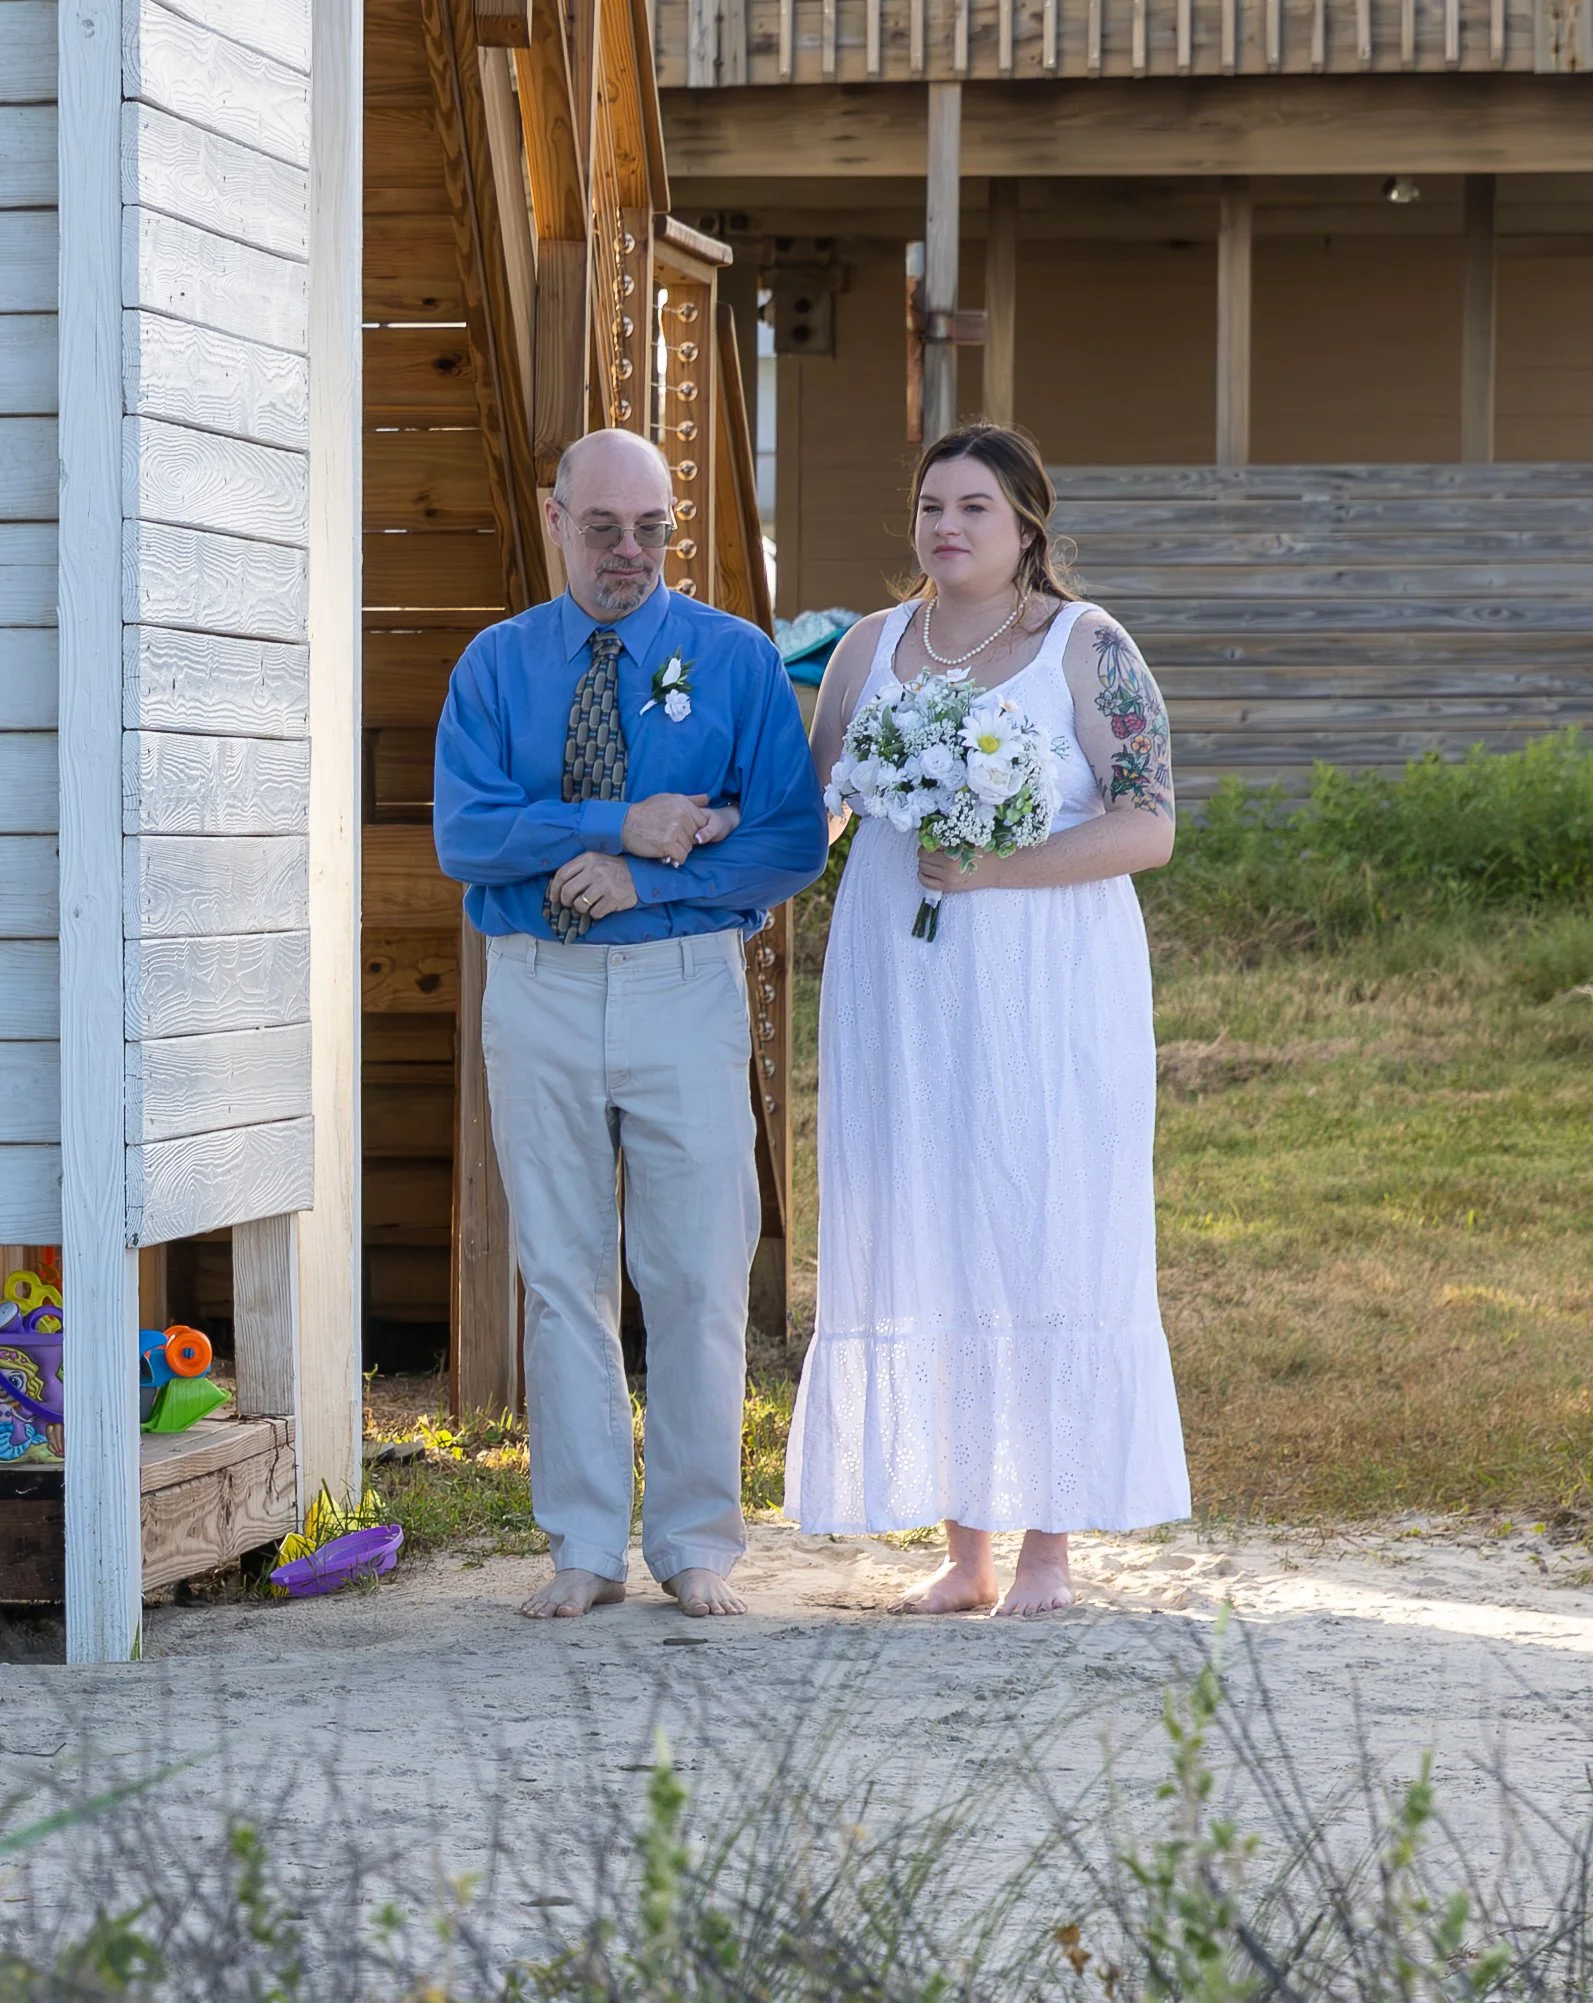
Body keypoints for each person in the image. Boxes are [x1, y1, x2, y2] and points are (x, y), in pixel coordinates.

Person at [785, 422, 1191, 1615]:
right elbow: (820, 811)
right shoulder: (868, 647)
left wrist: (995, 867)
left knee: (1039, 1221)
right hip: (902, 986)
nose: (946, 526)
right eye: (931, 506)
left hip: (1043, 983)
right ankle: (964, 1548)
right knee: (930, 1219)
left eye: (973, 507)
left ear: (1025, 526)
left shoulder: (1086, 645)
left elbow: (1150, 823)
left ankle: (1048, 1548)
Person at [434, 428, 828, 1620]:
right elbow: (466, 833)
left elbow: (789, 840)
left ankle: (698, 1537)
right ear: (555, 519)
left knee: (698, 1268)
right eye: (603, 528)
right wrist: (619, 821)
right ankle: (585, 1542)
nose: (629, 552)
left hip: (682, 983)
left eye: (651, 529)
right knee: (562, 1271)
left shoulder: (735, 658)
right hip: (538, 985)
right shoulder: (496, 665)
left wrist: (645, 877)